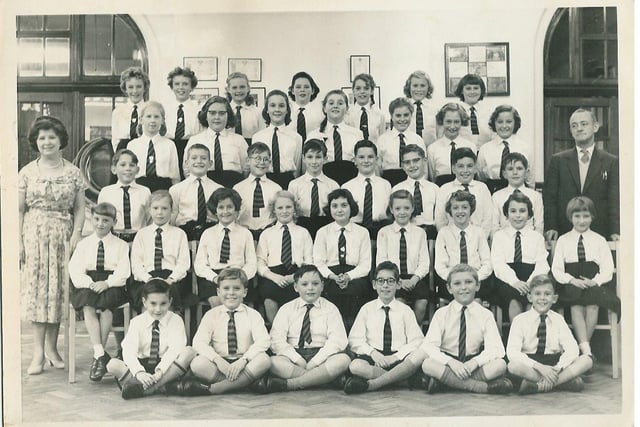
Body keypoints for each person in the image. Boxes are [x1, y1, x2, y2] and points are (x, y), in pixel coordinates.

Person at [19, 116, 85, 375]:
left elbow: (80, 208)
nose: (47, 142)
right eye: (42, 138)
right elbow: (18, 210)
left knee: (58, 293)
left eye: (51, 137)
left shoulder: (73, 172)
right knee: (38, 294)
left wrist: (76, 235)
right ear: (36, 142)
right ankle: (37, 354)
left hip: (63, 236)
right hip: (34, 236)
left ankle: (53, 349)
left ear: (61, 141)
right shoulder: (26, 172)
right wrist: (19, 242)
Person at [169, 268, 271, 396]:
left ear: (244, 292)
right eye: (226, 288)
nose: (231, 293)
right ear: (218, 291)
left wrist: (244, 360)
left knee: (264, 360)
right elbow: (199, 342)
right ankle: (245, 384)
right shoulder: (211, 315)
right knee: (197, 364)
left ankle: (217, 388)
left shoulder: (253, 315)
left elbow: (263, 341)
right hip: (220, 365)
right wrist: (217, 360)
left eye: (236, 288)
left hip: (244, 363)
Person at [419, 264, 513, 394]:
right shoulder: (441, 314)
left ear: (477, 285)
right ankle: (483, 388)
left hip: (472, 363)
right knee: (427, 364)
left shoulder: (485, 314)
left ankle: (445, 383)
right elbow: (429, 346)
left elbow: (497, 349)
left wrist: (474, 362)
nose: (463, 287)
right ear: (449, 288)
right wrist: (451, 362)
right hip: (448, 363)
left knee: (500, 365)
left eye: (469, 282)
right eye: (457, 283)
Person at [256, 265, 350, 393]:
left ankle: (292, 384)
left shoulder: (330, 309)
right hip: (293, 356)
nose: (310, 288)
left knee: (343, 360)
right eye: (304, 284)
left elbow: (337, 340)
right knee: (272, 362)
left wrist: (316, 362)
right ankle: (325, 380)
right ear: (295, 287)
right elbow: (277, 340)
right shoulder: (287, 309)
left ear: (322, 286)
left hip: (322, 355)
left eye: (315, 283)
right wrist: (297, 359)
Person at [551, 196, 620, 359]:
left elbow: (608, 268)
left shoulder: (599, 240)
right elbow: (557, 269)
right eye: (577, 216)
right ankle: (587, 352)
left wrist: (594, 281)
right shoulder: (563, 240)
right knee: (576, 306)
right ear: (570, 217)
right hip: (571, 283)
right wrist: (572, 280)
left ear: (592, 217)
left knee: (593, 305)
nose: (582, 221)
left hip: (593, 282)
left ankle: (583, 350)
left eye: (586, 216)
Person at [68, 202, 130, 381]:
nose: (100, 223)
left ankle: (98, 358)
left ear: (114, 222)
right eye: (96, 219)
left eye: (105, 220)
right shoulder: (84, 244)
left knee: (106, 307)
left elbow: (124, 271)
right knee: (88, 305)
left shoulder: (121, 245)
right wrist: (89, 283)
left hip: (112, 284)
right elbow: (75, 269)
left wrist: (108, 283)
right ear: (92, 219)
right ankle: (100, 354)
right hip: (89, 282)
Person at [105, 279, 195, 399]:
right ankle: (162, 387)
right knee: (112, 364)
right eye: (153, 303)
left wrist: (160, 371)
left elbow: (175, 349)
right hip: (143, 365)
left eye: (163, 304)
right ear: (144, 302)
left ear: (170, 302)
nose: (158, 309)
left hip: (166, 368)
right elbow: (128, 350)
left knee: (189, 351)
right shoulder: (136, 322)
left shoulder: (176, 320)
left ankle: (146, 389)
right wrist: (139, 372)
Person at [344, 261, 425, 394]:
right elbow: (354, 340)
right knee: (355, 366)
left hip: (399, 359)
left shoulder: (405, 310)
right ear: (374, 285)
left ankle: (374, 383)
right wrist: (373, 354)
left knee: (420, 355)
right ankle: (404, 381)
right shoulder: (366, 309)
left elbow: (417, 340)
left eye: (390, 281)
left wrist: (396, 357)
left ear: (398, 285)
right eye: (381, 281)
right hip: (375, 358)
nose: (385, 285)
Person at [507, 275, 593, 394]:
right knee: (513, 366)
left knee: (586, 360)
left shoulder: (558, 319)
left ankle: (539, 386)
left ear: (554, 298)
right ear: (529, 297)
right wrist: (540, 367)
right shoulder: (520, 320)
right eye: (537, 294)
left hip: (554, 363)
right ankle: (564, 382)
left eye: (547, 294)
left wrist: (558, 368)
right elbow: (512, 352)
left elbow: (572, 349)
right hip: (531, 363)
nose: (542, 298)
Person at [543, 108, 619, 242]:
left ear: (595, 127)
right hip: (565, 230)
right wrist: (551, 227)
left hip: (600, 231)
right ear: (571, 131)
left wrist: (615, 230)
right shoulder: (558, 160)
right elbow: (550, 198)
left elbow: (614, 199)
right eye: (574, 125)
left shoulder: (610, 161)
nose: (579, 128)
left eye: (584, 124)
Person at [313, 189, 372, 329]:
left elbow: (365, 264)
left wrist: (348, 276)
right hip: (330, 275)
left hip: (355, 276)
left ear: (351, 207)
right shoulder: (322, 232)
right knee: (330, 292)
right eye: (335, 206)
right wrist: (333, 277)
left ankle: (353, 335)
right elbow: (318, 262)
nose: (339, 210)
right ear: (330, 209)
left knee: (356, 291)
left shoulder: (362, 232)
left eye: (344, 205)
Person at [257, 191, 313, 324]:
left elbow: (309, 261)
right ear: (274, 211)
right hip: (273, 275)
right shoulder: (267, 234)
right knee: (269, 296)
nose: (284, 211)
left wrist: (294, 276)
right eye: (280, 208)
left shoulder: (303, 232)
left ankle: (295, 331)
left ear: (294, 209)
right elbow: (260, 261)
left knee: (302, 294)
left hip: (297, 273)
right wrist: (273, 277)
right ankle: (277, 333)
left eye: (288, 207)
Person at [491, 191, 549, 321]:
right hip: (507, 279)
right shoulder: (499, 236)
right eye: (513, 211)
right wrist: (514, 282)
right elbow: (498, 263)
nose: (518, 215)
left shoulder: (537, 237)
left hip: (531, 277)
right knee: (514, 299)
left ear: (529, 215)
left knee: (532, 300)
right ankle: (516, 338)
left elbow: (542, 264)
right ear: (506, 214)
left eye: (522, 211)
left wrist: (531, 282)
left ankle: (530, 339)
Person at [194, 188, 257, 308]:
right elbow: (200, 264)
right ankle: (221, 326)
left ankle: (237, 325)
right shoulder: (208, 233)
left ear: (236, 210)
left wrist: (241, 277)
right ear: (215, 211)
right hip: (214, 276)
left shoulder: (245, 234)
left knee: (234, 298)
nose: (225, 211)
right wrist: (214, 277)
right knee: (217, 300)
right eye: (221, 207)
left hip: (238, 275)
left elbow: (251, 263)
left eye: (230, 207)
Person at [130, 191, 190, 312]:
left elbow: (183, 263)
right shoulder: (142, 234)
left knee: (171, 294)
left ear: (171, 210)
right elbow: (136, 264)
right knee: (147, 293)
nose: (159, 212)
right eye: (155, 208)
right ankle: (147, 327)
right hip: (147, 277)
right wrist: (148, 279)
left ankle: (171, 326)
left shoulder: (179, 234)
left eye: (164, 208)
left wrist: (171, 279)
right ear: (149, 210)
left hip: (171, 278)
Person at [376, 191, 431, 324]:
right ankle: (400, 334)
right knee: (399, 303)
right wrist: (397, 279)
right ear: (391, 209)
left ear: (412, 208)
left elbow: (424, 262)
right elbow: (382, 261)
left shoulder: (420, 233)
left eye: (406, 208)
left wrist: (414, 279)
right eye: (398, 208)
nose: (402, 212)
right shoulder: (384, 232)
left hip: (414, 278)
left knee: (422, 303)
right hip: (393, 278)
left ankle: (415, 334)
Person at [434, 191, 492, 304]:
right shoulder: (444, 233)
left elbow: (487, 263)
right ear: (450, 211)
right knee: (447, 306)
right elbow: (440, 265)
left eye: (464, 207)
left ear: (471, 209)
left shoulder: (479, 232)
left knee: (476, 303)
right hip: (451, 281)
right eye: (455, 208)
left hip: (475, 280)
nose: (460, 211)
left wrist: (474, 279)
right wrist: (454, 280)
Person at [185, 96, 248, 188]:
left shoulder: (239, 140)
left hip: (233, 186)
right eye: (212, 113)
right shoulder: (195, 140)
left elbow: (246, 168)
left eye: (222, 113)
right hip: (204, 187)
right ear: (205, 115)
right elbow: (187, 170)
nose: (217, 117)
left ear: (228, 115)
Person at [434, 147, 493, 238]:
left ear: (475, 168)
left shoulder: (482, 188)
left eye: (469, 166)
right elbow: (440, 220)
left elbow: (488, 219)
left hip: (478, 240)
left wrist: (479, 240)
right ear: (453, 168)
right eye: (460, 166)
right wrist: (450, 240)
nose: (465, 170)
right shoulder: (445, 189)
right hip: (452, 240)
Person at [287, 139, 339, 239]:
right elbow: (292, 212)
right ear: (303, 158)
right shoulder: (294, 185)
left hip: (326, 228)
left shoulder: (333, 185)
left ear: (325, 159)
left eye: (318, 157)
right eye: (310, 157)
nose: (314, 162)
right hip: (302, 227)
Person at [168, 144, 222, 241]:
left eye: (203, 158)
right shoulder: (176, 189)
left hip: (211, 233)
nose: (199, 161)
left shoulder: (218, 189)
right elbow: (173, 215)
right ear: (187, 163)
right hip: (184, 233)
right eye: (194, 158)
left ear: (210, 163)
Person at [251, 89, 303, 189]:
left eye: (281, 106)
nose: (277, 109)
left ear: (287, 110)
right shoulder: (257, 137)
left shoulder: (296, 137)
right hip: (265, 180)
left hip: (288, 181)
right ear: (267, 109)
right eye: (272, 105)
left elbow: (297, 167)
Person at [476, 104, 534, 193]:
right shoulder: (485, 149)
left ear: (515, 123)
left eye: (509, 121)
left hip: (518, 192)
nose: (504, 126)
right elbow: (481, 177)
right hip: (492, 191)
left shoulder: (525, 148)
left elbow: (530, 178)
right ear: (494, 123)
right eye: (500, 122)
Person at [342, 139, 392, 239]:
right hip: (355, 232)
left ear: (377, 160)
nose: (366, 161)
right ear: (355, 160)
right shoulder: (347, 187)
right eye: (361, 157)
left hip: (380, 232)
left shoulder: (386, 185)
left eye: (370, 157)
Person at [98, 149, 151, 243]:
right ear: (114, 169)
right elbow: (101, 219)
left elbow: (150, 220)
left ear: (137, 170)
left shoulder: (145, 192)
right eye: (123, 165)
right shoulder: (106, 192)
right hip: (113, 240)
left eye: (132, 165)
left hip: (139, 240)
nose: (128, 168)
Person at [127, 101, 181, 192]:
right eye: (148, 116)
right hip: (139, 188)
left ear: (162, 120)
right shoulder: (132, 145)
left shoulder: (169, 145)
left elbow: (175, 177)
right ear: (141, 119)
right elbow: (129, 173)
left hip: (163, 189)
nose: (152, 120)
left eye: (156, 117)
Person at [233, 142, 282, 241]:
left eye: (266, 159)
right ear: (248, 160)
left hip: (269, 236)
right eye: (258, 158)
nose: (262, 162)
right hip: (243, 235)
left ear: (270, 162)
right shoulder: (238, 188)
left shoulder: (276, 188)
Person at [392, 144, 439, 240]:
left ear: (425, 161)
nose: (412, 165)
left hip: (430, 236)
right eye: (407, 162)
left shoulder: (435, 189)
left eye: (416, 160)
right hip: (405, 234)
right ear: (402, 166)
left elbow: (439, 218)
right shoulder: (397, 189)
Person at [164, 66, 203, 179]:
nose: (181, 87)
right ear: (172, 87)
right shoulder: (165, 109)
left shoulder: (198, 110)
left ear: (192, 87)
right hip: (170, 147)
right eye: (177, 84)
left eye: (185, 84)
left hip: (190, 147)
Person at [491, 152, 543, 235]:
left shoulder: (535, 196)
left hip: (530, 241)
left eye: (519, 168)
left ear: (526, 173)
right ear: (504, 174)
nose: (515, 172)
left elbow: (539, 225)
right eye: (510, 169)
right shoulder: (497, 196)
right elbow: (494, 226)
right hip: (504, 241)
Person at [376, 97, 425, 186]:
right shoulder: (382, 140)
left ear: (411, 115)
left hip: (413, 183)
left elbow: (424, 170)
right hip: (389, 183)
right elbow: (378, 169)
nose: (402, 119)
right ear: (391, 116)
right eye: (398, 115)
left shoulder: (418, 140)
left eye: (406, 115)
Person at [307, 89, 364, 162]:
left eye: (340, 103)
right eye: (331, 103)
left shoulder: (357, 135)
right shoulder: (314, 135)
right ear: (324, 108)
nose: (335, 106)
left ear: (347, 108)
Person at [426, 103, 475, 186]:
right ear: (442, 122)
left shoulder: (470, 146)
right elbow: (432, 177)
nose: (452, 126)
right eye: (448, 121)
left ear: (461, 122)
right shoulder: (433, 149)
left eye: (456, 122)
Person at [111, 67, 149, 152]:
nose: (135, 91)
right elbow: (115, 140)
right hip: (123, 150)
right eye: (130, 87)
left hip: (144, 150)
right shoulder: (118, 111)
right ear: (125, 88)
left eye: (139, 86)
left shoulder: (150, 109)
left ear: (145, 87)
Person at [454, 73, 492, 149]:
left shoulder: (489, 112)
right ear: (461, 90)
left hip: (483, 151)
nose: (472, 92)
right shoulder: (455, 111)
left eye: (476, 88)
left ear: (481, 90)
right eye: (468, 88)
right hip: (461, 153)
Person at [344, 73, 385, 143]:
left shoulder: (379, 114)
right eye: (358, 88)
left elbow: (382, 140)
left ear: (372, 91)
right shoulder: (347, 114)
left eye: (366, 88)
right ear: (353, 91)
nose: (362, 91)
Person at [226, 71, 265, 144]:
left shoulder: (258, 112)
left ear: (248, 88)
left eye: (242, 87)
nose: (239, 91)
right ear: (228, 89)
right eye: (234, 87)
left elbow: (262, 136)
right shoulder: (224, 111)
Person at [402, 70, 438, 145]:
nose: (419, 89)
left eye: (422, 86)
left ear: (428, 87)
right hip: (408, 150)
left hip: (429, 151)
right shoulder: (402, 108)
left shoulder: (435, 109)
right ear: (409, 87)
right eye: (415, 86)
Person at [287, 71, 323, 142]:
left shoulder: (320, 111)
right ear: (292, 91)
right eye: (298, 87)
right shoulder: (286, 111)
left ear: (312, 90)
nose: (302, 90)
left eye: (306, 87)